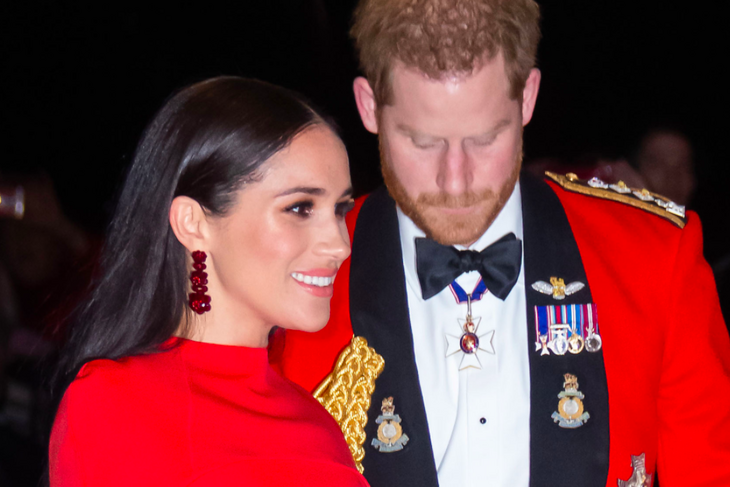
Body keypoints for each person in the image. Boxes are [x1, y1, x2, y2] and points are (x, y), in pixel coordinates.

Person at [271, 1, 730, 486]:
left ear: (527, 97)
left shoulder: (653, 257)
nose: (455, 181)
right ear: (369, 106)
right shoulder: (291, 267)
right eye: (422, 142)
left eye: (485, 139)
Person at [48, 77, 369, 486]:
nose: (339, 244)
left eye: (339, 209)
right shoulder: (115, 404)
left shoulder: (318, 426)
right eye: (300, 208)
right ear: (193, 223)